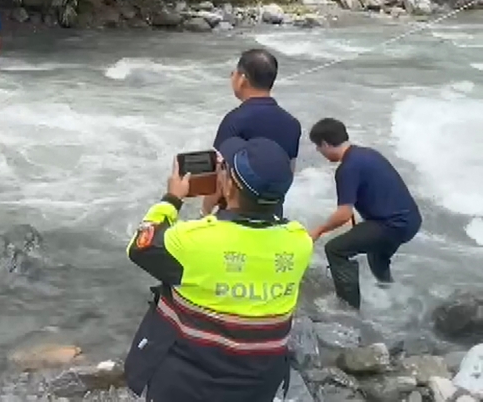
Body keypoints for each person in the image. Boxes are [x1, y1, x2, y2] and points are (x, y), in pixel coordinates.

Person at [123, 137, 312, 402]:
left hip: (187, 384)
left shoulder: (193, 239)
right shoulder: (300, 241)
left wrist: (172, 199)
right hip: (258, 385)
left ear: (229, 184)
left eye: (223, 168)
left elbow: (140, 246)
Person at [307, 117, 422, 310]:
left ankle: (348, 309)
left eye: (318, 147)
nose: (319, 151)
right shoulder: (367, 154)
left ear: (326, 144)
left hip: (391, 225)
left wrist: (318, 230)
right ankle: (390, 295)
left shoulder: (347, 168)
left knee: (335, 249)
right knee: (376, 254)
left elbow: (344, 214)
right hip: (411, 220)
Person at [202, 48, 301, 218]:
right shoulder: (292, 124)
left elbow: (219, 177)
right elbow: (288, 173)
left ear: (242, 79)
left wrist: (205, 212)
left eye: (234, 73)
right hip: (272, 214)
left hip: (235, 217)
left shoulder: (234, 120)